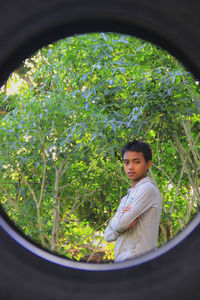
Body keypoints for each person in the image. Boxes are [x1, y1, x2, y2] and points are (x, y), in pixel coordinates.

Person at [104, 140, 161, 262]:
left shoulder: (147, 189)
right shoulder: (127, 197)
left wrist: (119, 222)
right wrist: (120, 223)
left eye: (137, 162)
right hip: (123, 262)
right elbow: (107, 235)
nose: (130, 167)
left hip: (139, 261)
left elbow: (121, 223)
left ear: (148, 164)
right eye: (126, 162)